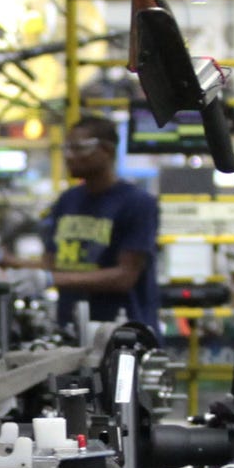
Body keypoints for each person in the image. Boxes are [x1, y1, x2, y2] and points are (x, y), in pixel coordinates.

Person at [46, 116, 162, 329]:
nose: (69, 157)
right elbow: (53, 263)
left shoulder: (137, 203)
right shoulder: (67, 201)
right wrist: (8, 263)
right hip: (72, 330)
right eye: (66, 148)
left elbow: (125, 276)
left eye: (79, 148)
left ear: (107, 151)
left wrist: (50, 279)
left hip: (124, 333)